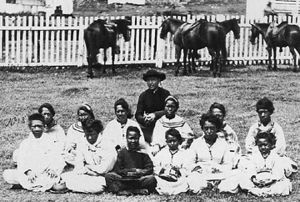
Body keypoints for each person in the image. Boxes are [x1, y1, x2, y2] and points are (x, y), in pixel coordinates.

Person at [3, 113, 66, 192]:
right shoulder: (25, 143)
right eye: (34, 126)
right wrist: (29, 172)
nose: (37, 129)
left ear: (44, 126)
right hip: (30, 174)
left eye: (39, 126)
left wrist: (52, 169)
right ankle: (39, 184)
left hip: (46, 173)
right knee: (8, 174)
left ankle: (33, 184)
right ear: (30, 127)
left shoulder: (50, 141)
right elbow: (22, 160)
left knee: (52, 178)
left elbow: (57, 157)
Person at [187, 113, 240, 194]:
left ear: (217, 129)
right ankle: (207, 186)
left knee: (236, 173)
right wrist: (198, 168)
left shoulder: (223, 144)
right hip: (202, 174)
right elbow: (189, 163)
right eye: (206, 128)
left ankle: (218, 187)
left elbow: (228, 164)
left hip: (219, 174)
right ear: (202, 128)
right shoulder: (196, 143)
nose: (209, 131)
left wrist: (218, 168)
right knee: (192, 177)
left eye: (212, 128)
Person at [62, 119, 116, 194]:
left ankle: (70, 186)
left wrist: (88, 167)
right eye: (86, 133)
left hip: (102, 177)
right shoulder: (82, 142)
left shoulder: (107, 144)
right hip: (86, 174)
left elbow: (103, 169)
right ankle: (73, 186)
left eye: (91, 133)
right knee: (65, 176)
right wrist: (86, 170)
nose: (89, 136)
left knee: (98, 186)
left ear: (98, 132)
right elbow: (79, 165)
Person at [105, 126, 157, 196]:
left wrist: (141, 172)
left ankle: (127, 191)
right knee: (109, 176)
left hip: (138, 179)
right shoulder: (122, 152)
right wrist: (130, 171)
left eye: (135, 138)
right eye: (131, 138)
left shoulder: (143, 152)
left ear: (139, 138)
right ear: (126, 138)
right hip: (124, 179)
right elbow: (118, 169)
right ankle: (136, 191)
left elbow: (149, 168)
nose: (133, 141)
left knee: (151, 179)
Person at [239, 132, 293, 196]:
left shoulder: (275, 157)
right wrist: (254, 179)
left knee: (285, 184)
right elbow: (251, 169)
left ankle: (261, 192)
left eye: (265, 145)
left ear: (271, 145)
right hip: (257, 180)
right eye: (260, 145)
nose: (263, 147)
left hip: (271, 181)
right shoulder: (254, 156)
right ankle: (258, 191)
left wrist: (270, 181)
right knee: (242, 179)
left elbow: (278, 172)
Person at [153, 128, 194, 195]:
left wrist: (179, 171)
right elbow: (156, 166)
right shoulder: (161, 153)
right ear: (166, 142)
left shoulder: (184, 153)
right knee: (156, 180)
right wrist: (162, 170)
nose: (172, 143)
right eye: (170, 141)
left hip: (178, 178)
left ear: (179, 141)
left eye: (174, 141)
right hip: (164, 177)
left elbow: (187, 168)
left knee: (184, 181)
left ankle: (179, 190)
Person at [135, 69, 170, 144]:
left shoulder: (165, 94)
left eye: (153, 80)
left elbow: (169, 110)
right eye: (148, 80)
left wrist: (155, 115)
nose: (151, 83)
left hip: (164, 124)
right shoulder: (143, 95)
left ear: (159, 80)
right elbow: (138, 114)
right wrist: (144, 119)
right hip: (149, 126)